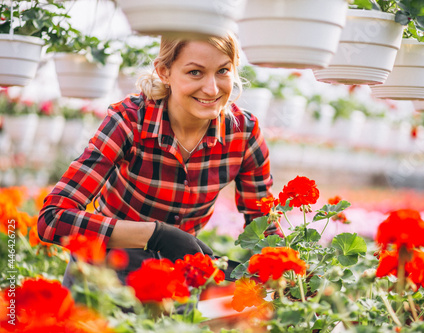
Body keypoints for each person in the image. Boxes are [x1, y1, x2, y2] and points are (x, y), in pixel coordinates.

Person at [37, 32, 277, 286]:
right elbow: (52, 219)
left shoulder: (243, 133)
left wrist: (284, 271)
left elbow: (263, 223)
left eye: (223, 71)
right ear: (164, 71)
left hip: (176, 281)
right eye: (195, 72)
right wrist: (156, 236)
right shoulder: (131, 121)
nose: (212, 88)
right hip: (102, 276)